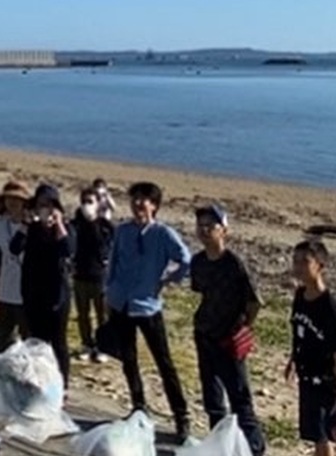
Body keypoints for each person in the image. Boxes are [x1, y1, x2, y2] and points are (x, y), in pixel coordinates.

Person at [106, 181, 191, 442]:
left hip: (147, 306)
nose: (138, 204)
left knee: (164, 362)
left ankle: (181, 415)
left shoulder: (163, 234)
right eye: (135, 199)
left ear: (154, 205)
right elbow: (113, 261)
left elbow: (185, 258)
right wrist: (108, 291)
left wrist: (167, 279)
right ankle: (138, 406)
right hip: (121, 304)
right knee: (128, 360)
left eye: (144, 200)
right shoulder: (123, 231)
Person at [190, 204, 265, 456]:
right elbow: (201, 291)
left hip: (228, 341)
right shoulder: (198, 261)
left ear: (224, 231)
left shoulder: (234, 264)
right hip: (204, 334)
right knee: (212, 399)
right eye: (200, 225)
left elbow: (254, 301)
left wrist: (243, 328)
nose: (204, 230)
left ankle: (254, 449)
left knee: (240, 398)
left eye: (210, 225)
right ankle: (219, 446)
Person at [12, 184, 75, 386]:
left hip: (57, 295)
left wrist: (58, 225)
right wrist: (25, 224)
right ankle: (39, 380)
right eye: (40, 205)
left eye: (49, 205)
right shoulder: (31, 229)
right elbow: (14, 248)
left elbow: (69, 250)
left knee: (58, 342)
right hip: (33, 292)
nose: (44, 209)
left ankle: (63, 384)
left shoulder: (65, 228)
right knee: (36, 341)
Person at [288, 240, 336, 456]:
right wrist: (292, 359)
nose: (298, 267)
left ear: (320, 266)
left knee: (323, 433)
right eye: (295, 261)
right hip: (306, 375)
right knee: (316, 433)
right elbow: (299, 330)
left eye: (305, 261)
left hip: (325, 379)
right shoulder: (300, 296)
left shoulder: (329, 306)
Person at [72, 188, 114, 363]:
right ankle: (87, 344)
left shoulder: (105, 226)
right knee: (82, 314)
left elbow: (109, 246)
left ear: (98, 204)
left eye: (90, 201)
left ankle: (103, 346)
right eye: (84, 201)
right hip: (79, 275)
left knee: (102, 314)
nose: (86, 205)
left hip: (99, 277)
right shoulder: (76, 224)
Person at [0, 180, 33, 352]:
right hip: (6, 290)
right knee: (4, 337)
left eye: (17, 199)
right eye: (9, 199)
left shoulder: (33, 226)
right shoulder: (2, 223)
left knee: (28, 337)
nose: (13, 203)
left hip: (27, 292)